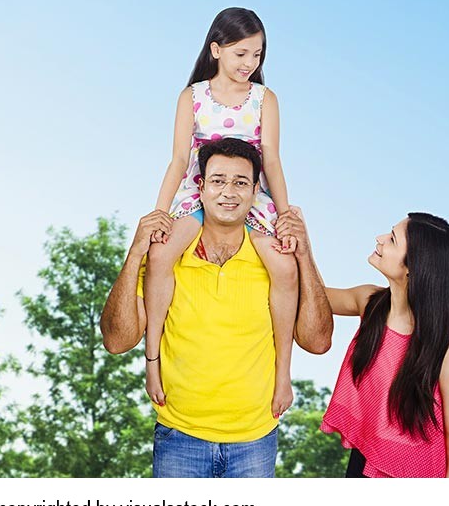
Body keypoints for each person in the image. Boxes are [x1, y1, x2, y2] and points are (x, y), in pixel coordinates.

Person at [100, 137, 333, 477]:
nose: (229, 192)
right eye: (218, 181)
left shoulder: (275, 259)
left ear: (255, 191)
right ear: (201, 187)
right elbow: (116, 341)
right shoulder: (167, 253)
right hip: (179, 435)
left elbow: (318, 341)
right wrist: (135, 253)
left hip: (255, 439)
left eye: (241, 183)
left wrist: (305, 251)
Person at [144, 7, 297, 420]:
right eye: (241, 54)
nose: (250, 64)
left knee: (285, 269)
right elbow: (178, 159)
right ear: (216, 49)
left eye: (258, 56)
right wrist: (160, 214)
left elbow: (273, 160)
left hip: (251, 197)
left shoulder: (265, 99)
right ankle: (152, 359)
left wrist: (284, 216)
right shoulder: (191, 97)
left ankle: (283, 372)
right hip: (201, 191)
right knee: (159, 257)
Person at [275, 210, 449, 477]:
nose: (379, 239)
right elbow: (312, 298)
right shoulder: (369, 302)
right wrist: (303, 249)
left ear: (413, 267)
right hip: (365, 461)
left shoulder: (448, 345)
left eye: (392, 239)